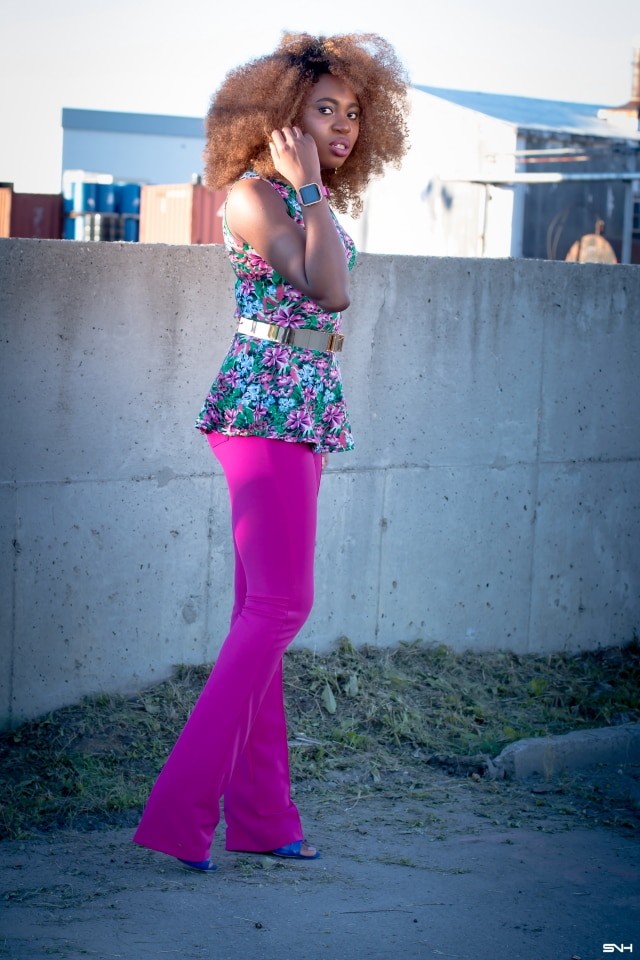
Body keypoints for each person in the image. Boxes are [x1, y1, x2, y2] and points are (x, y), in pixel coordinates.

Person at [133, 32, 409, 872]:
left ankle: (262, 817)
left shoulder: (304, 202)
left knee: (264, 618)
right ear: (278, 114)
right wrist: (312, 192)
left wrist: (317, 198)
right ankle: (182, 812)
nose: (344, 125)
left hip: (303, 405)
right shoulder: (258, 196)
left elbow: (332, 293)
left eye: (355, 113)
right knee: (280, 610)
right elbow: (331, 291)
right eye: (325, 108)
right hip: (265, 407)